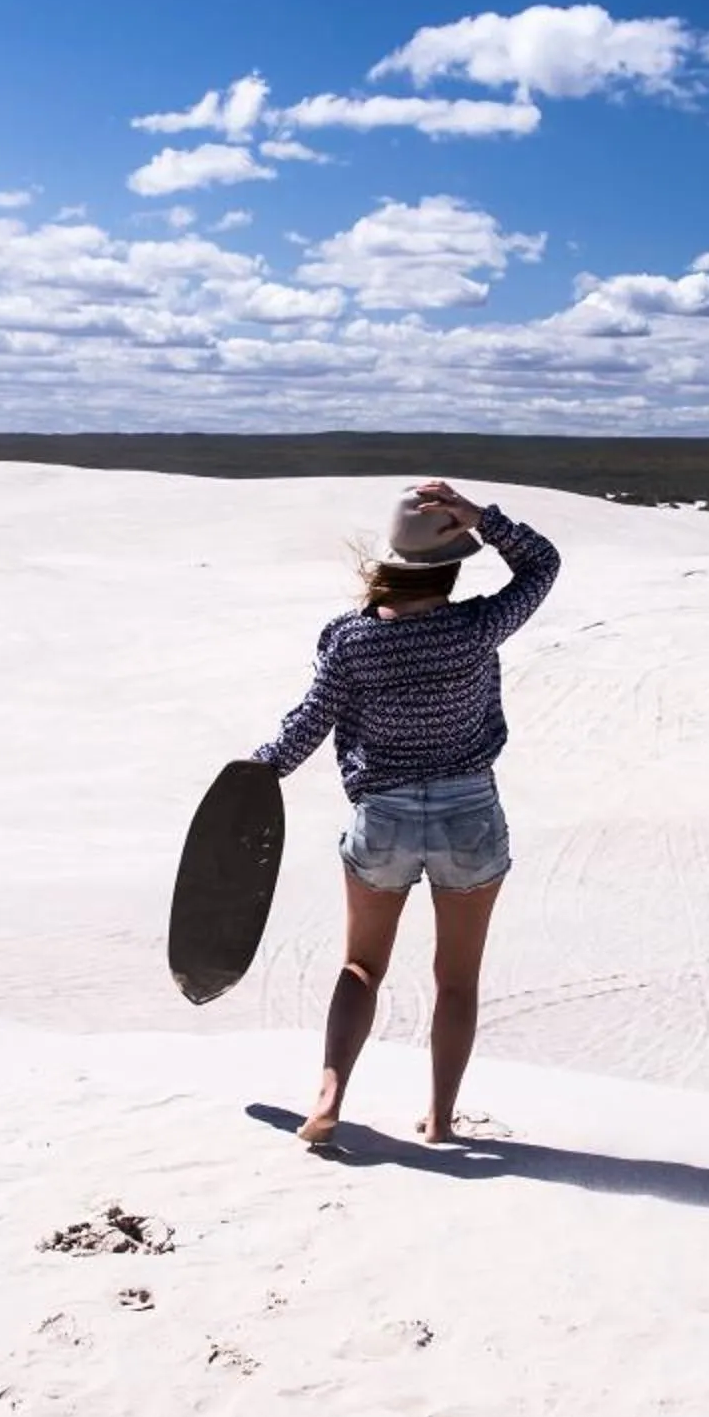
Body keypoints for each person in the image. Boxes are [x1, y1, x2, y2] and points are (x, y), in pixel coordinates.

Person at [250, 479, 561, 1147]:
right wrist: (482, 517)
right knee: (456, 980)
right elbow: (543, 564)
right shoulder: (476, 628)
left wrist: (262, 766)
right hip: (469, 816)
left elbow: (309, 722)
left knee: (361, 966)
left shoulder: (352, 642)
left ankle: (328, 1102)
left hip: (383, 818)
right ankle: (442, 1120)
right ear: (451, 566)